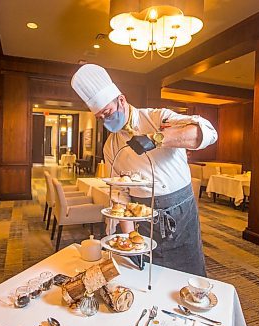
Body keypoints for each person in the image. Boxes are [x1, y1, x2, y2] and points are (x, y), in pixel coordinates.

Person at [71, 64, 217, 276]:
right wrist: (129, 239)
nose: (106, 120)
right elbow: (120, 196)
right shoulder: (110, 146)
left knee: (188, 274)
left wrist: (157, 138)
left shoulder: (157, 119)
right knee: (150, 276)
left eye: (108, 112)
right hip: (142, 218)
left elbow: (208, 133)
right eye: (100, 117)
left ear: (121, 99)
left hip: (180, 213)